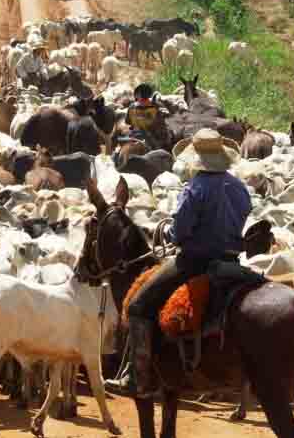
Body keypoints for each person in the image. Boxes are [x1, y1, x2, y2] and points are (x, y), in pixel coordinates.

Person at [107, 128, 252, 397]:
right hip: (231, 260)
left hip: (195, 262)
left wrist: (170, 234)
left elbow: (181, 231)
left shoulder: (195, 187)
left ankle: (139, 378)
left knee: (138, 306)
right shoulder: (239, 187)